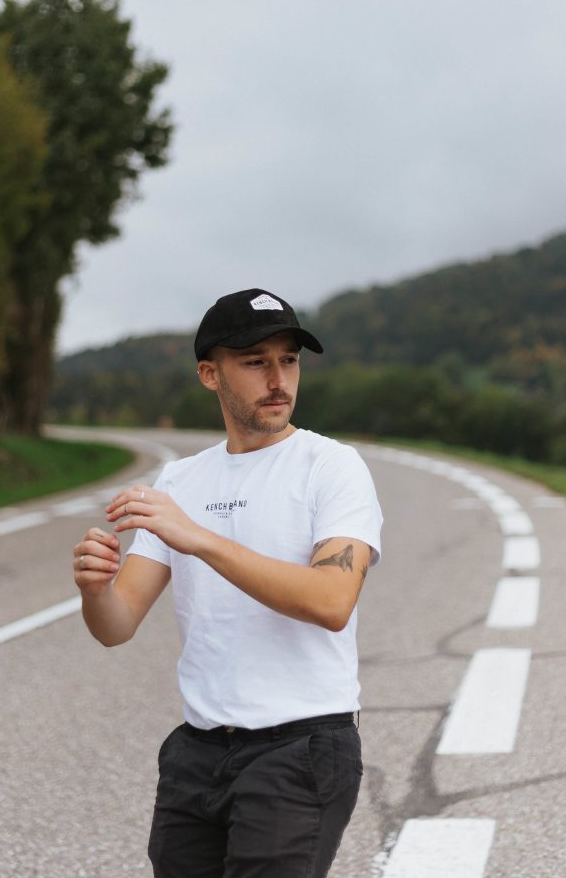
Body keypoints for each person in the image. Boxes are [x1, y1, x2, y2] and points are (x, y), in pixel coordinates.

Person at [73, 287, 383, 878]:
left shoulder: (332, 466)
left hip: (302, 748)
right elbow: (116, 626)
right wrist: (94, 589)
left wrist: (200, 539)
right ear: (210, 374)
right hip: (198, 752)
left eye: (288, 359)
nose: (278, 378)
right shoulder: (181, 481)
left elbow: (332, 600)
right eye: (254, 361)